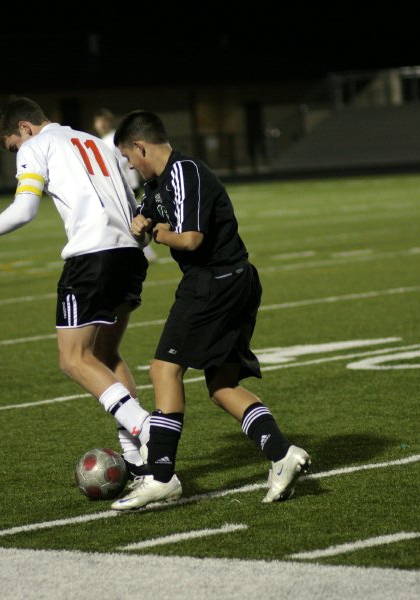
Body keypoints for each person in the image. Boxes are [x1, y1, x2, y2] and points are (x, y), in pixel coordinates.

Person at [109, 110, 310, 511]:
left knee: (164, 369)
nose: (130, 165)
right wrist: (141, 222)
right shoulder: (157, 183)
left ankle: (161, 476)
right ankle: (282, 453)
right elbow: (148, 212)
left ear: (141, 146)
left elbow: (192, 239)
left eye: (129, 157)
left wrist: (159, 233)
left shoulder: (184, 171)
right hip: (233, 279)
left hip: (213, 281)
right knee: (221, 387)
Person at [0, 96, 151, 476]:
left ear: (24, 128)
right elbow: (131, 200)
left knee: (73, 358)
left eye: (14, 146)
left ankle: (147, 428)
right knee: (107, 356)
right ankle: (137, 458)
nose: (17, 152)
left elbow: (25, 208)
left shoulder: (37, 145)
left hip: (91, 257)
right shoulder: (95, 142)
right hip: (129, 253)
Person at [94, 108, 158, 264]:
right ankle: (144, 251)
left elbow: (122, 162)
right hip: (122, 187)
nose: (99, 124)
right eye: (97, 121)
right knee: (129, 221)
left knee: (129, 221)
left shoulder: (113, 140)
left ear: (108, 122)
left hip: (125, 187)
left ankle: (142, 251)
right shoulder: (103, 141)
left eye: (102, 121)